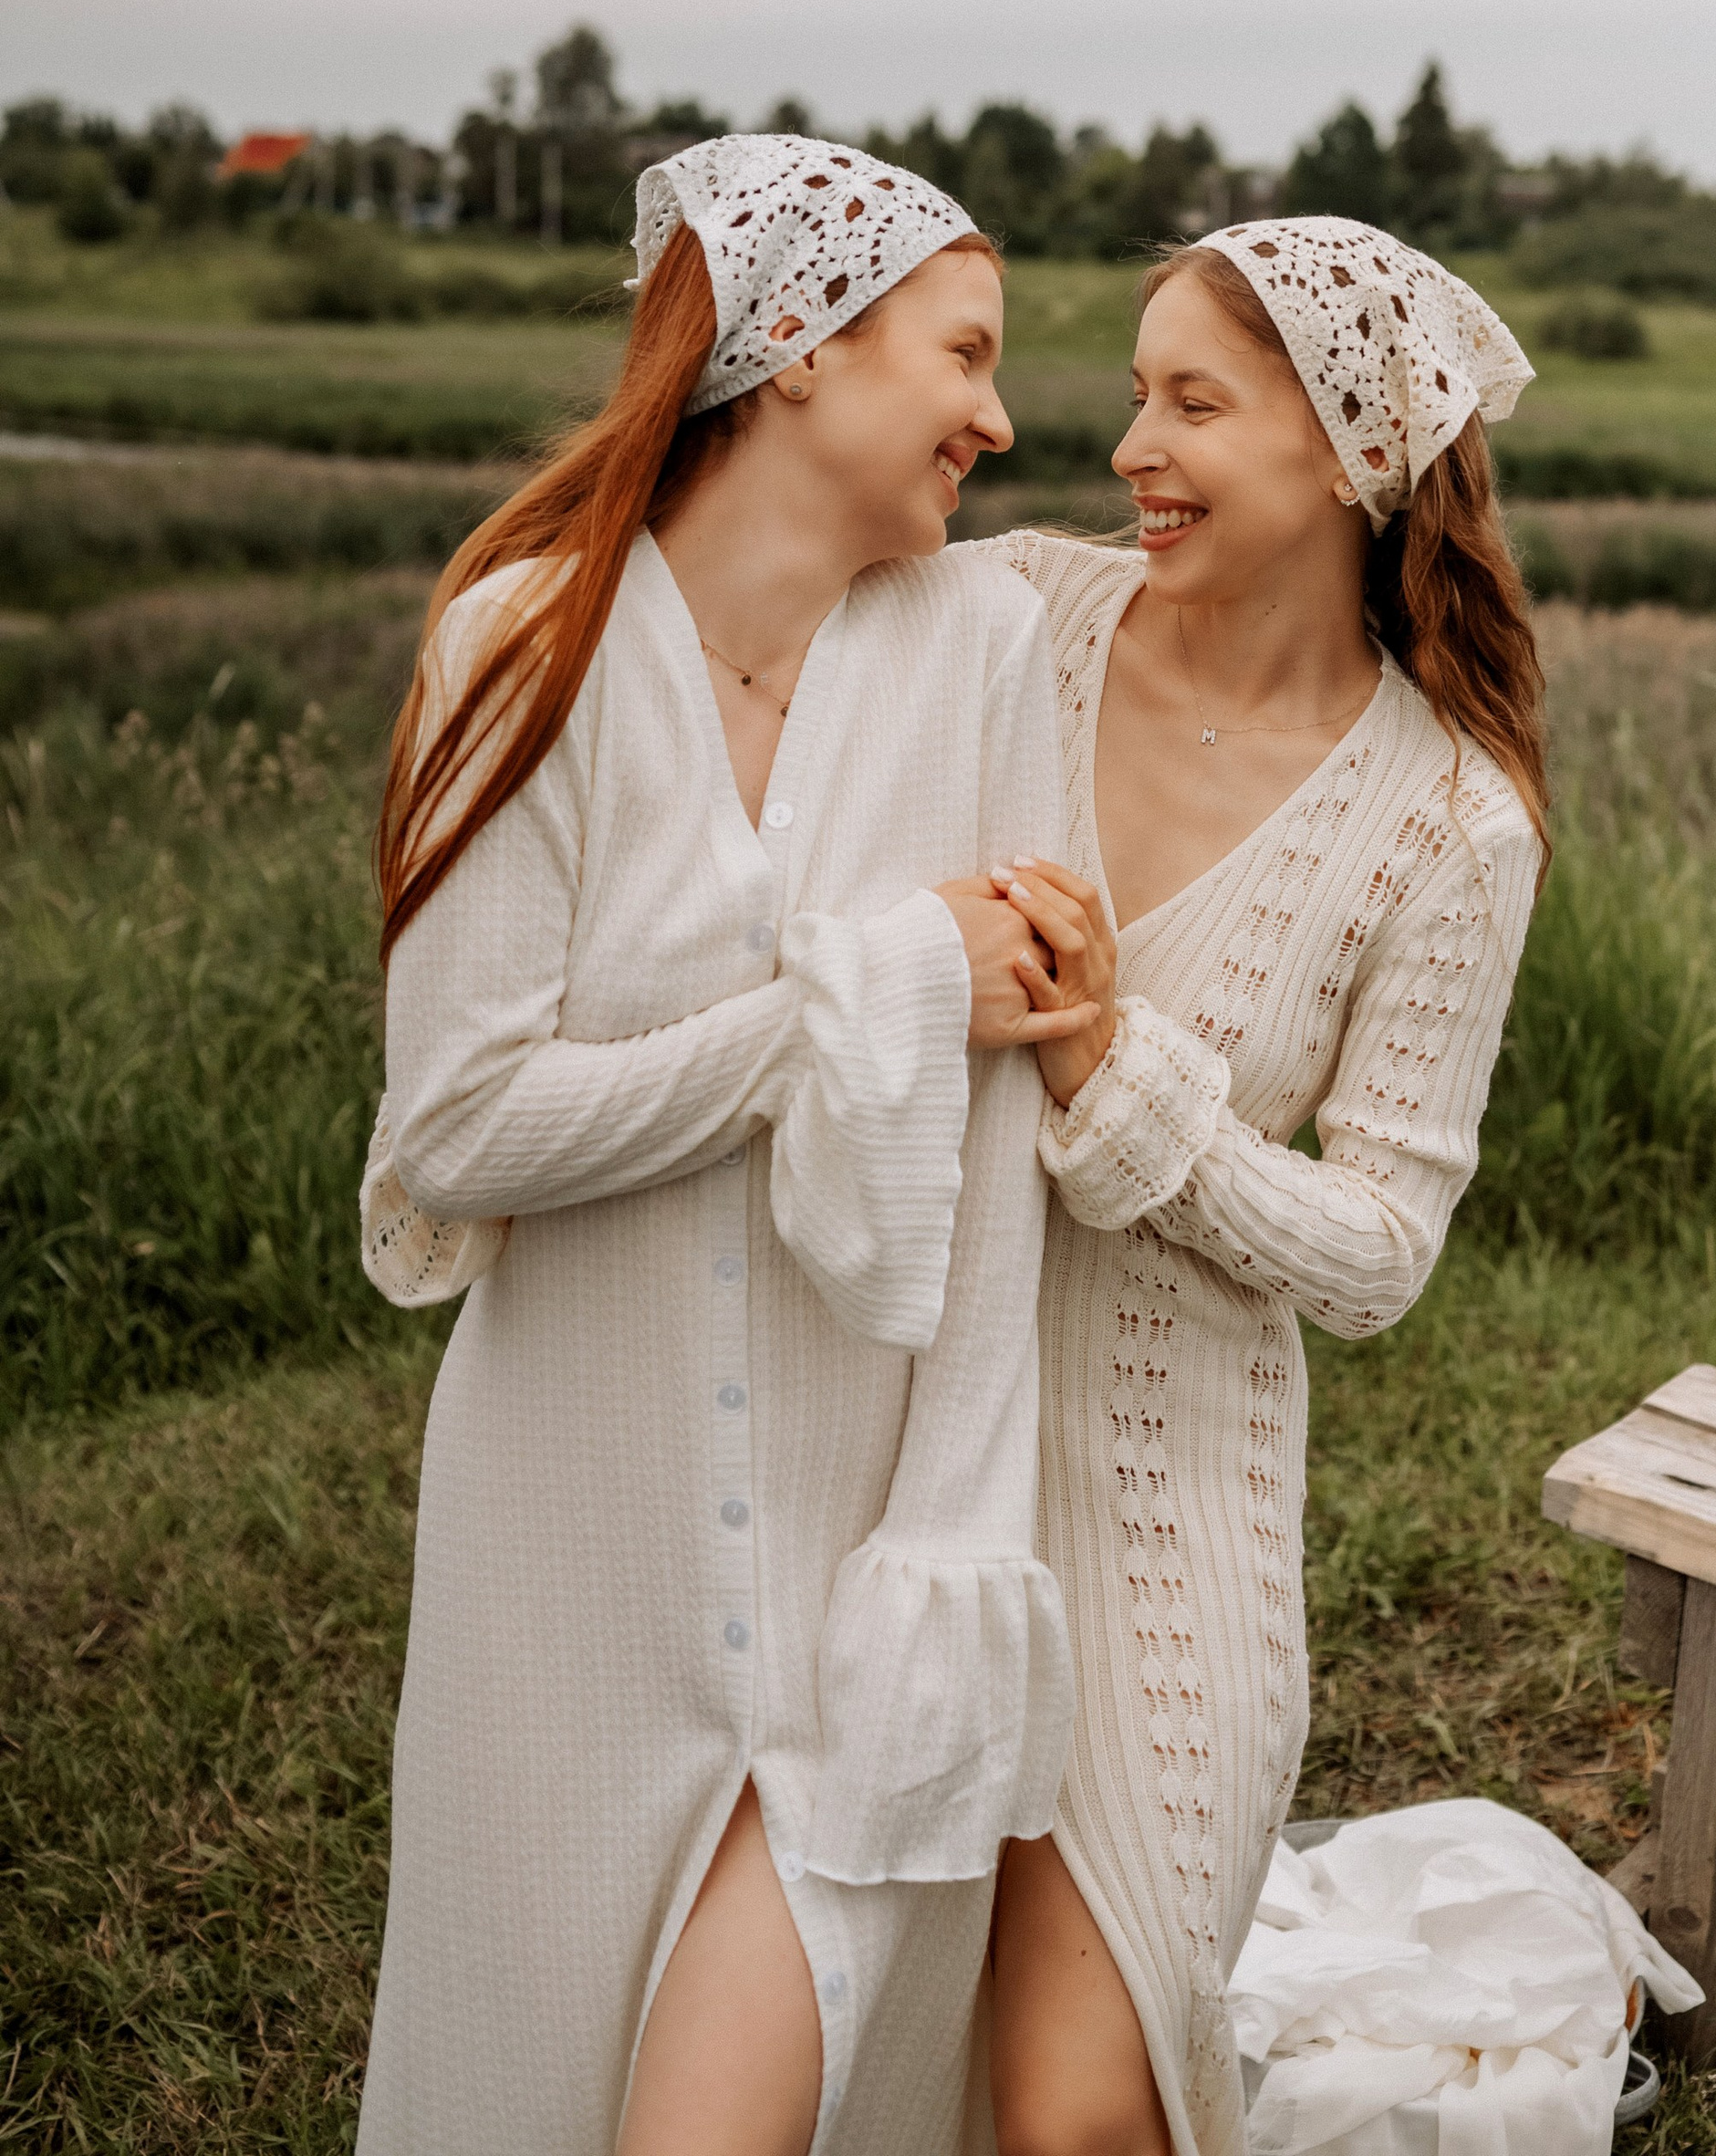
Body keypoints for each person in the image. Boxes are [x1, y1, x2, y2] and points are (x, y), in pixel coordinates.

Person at [352, 135, 1109, 2156]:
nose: (999, 414)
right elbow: (464, 1122)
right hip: (566, 1555)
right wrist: (856, 998)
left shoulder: (980, 652)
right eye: (959, 353)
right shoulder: (523, 642)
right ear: (797, 353)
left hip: (867, 1542)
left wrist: (948, 1547)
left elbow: (1003, 1142)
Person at [979, 216, 1549, 2156]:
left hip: (1159, 1527)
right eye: (1134, 392)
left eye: (1192, 402)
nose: (1130, 444)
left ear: (1350, 448)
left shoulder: (1447, 823)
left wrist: (1108, 1072)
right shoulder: (1011, 620)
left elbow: (1380, 1253)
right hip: (873, 1472)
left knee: (1077, 2119)